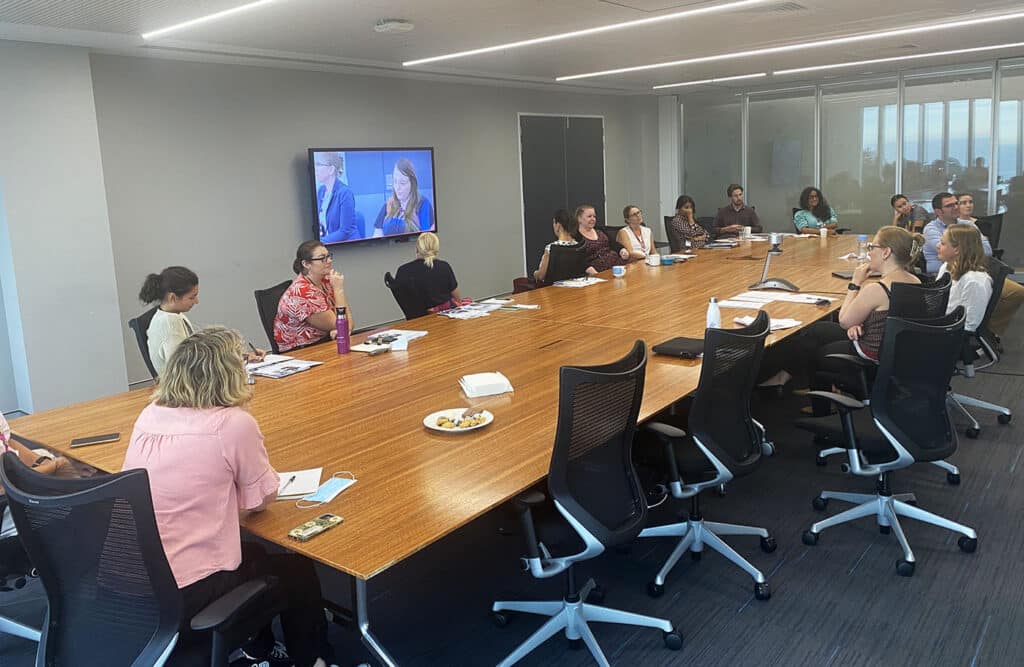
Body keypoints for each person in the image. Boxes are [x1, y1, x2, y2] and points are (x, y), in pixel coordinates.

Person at [122, 327, 336, 667]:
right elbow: (260, 501)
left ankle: (258, 648)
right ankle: (313, 660)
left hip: (131, 582)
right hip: (182, 592)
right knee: (295, 570)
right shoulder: (233, 424)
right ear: (229, 374)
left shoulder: (149, 414)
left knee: (253, 553)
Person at [798, 226, 924, 415]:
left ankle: (821, 413)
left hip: (870, 356)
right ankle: (830, 392)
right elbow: (889, 317)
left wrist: (855, 283)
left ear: (886, 252)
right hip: (895, 353)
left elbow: (844, 321)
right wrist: (861, 323)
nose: (869, 252)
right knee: (819, 330)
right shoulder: (915, 281)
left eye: (872, 247)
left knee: (817, 354)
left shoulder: (877, 289)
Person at [274, 241, 353, 353]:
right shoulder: (303, 292)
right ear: (306, 264)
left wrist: (339, 329)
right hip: (300, 352)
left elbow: (345, 327)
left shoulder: (325, 281)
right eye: (322, 258)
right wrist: (339, 290)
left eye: (329, 256)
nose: (329, 261)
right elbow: (345, 327)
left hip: (322, 343)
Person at [935, 224, 993, 333]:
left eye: (943, 243)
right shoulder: (946, 267)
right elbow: (937, 299)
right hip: (939, 321)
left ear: (957, 249)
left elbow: (970, 324)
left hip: (949, 334)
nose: (938, 246)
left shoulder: (974, 282)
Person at [394, 232, 466, 312]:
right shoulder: (444, 266)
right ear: (436, 248)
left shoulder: (402, 271)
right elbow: (457, 299)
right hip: (445, 317)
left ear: (417, 249)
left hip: (417, 320)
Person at [923, 192, 992, 274]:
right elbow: (947, 252)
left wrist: (959, 248)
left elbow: (987, 251)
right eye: (949, 206)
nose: (956, 207)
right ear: (938, 212)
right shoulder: (931, 229)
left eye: (956, 203)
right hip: (939, 277)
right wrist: (973, 247)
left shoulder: (969, 224)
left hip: (967, 272)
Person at [374, 158, 434, 236]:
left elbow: (426, 239)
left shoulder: (423, 204)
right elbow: (377, 236)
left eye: (402, 183)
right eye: (395, 181)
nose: (397, 187)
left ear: (412, 184)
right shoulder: (388, 205)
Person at [313, 152, 358, 242]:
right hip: (327, 243)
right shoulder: (321, 191)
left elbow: (344, 231)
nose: (315, 169)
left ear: (331, 170)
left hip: (347, 247)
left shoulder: (345, 193)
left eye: (319, 164)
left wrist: (320, 243)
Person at [575, 204, 629, 274]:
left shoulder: (600, 230)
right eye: (589, 216)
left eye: (594, 216)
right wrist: (595, 274)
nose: (593, 219)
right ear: (579, 219)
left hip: (618, 265)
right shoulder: (576, 237)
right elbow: (579, 260)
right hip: (598, 271)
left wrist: (622, 250)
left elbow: (614, 244)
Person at [534, 209, 584, 283]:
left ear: (558, 225)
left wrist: (535, 273)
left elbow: (541, 276)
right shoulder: (578, 246)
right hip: (574, 287)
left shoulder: (550, 248)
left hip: (552, 289)